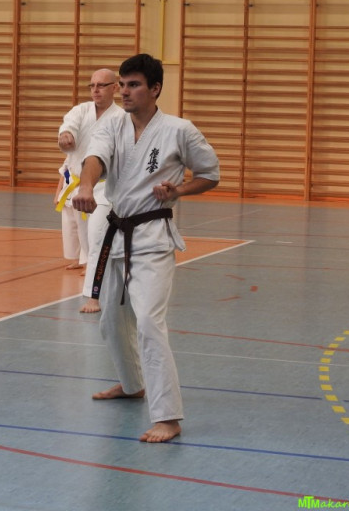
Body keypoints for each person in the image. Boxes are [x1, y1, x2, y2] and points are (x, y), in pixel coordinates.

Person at [72, 53, 219, 443]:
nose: (124, 91)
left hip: (152, 238)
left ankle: (168, 416)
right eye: (122, 84)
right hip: (116, 232)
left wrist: (179, 190)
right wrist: (86, 185)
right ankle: (132, 384)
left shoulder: (179, 130)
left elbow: (210, 174)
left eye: (133, 85)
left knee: (150, 323)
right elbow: (94, 158)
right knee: (110, 320)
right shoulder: (112, 124)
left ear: (155, 89)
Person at [56, 68, 122, 312]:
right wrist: (65, 135)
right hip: (78, 185)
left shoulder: (121, 117)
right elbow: (68, 126)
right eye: (92, 85)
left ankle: (94, 296)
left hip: (104, 189)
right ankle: (104, 288)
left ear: (115, 88)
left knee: (97, 239)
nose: (95, 90)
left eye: (101, 85)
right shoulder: (81, 111)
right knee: (86, 238)